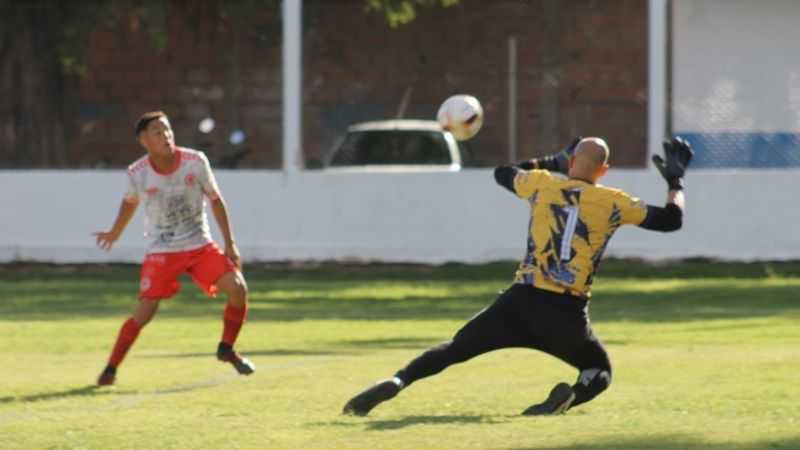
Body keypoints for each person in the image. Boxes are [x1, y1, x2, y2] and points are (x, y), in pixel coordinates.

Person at [343, 136, 693, 416]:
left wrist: (550, 163)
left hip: (519, 302)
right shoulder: (614, 202)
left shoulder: (542, 185)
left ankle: (398, 379)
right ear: (603, 172)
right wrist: (675, 180)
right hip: (565, 315)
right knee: (599, 370)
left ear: (571, 163)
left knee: (454, 349)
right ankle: (569, 396)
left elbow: (503, 171)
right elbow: (671, 221)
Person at [93, 111, 255, 386]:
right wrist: (115, 232)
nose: (166, 136)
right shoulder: (138, 173)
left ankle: (226, 349)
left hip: (199, 244)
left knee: (238, 289)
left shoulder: (195, 162)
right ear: (143, 141)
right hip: (162, 249)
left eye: (167, 130)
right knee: (145, 312)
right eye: (157, 132)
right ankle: (110, 368)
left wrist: (230, 243)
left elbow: (215, 200)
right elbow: (130, 201)